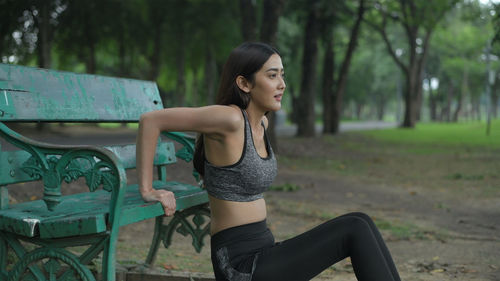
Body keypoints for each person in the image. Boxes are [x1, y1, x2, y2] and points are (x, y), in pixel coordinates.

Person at [137, 42, 401, 281]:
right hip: (241, 267)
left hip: (264, 251)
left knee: (360, 220)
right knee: (353, 228)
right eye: (272, 75)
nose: (282, 84)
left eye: (281, 75)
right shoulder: (229, 119)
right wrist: (148, 190)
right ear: (244, 83)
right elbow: (151, 120)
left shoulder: (262, 122)